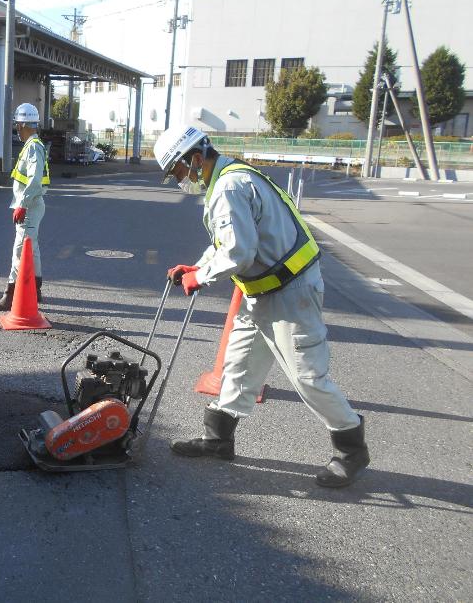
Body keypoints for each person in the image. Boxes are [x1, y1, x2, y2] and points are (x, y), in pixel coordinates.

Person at [156, 125, 370, 488]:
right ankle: (218, 439)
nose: (180, 180)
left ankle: (351, 449)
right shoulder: (227, 177)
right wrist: (197, 265)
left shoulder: (228, 187)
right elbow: (230, 241)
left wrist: (201, 278)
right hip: (261, 290)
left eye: (177, 172)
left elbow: (239, 253)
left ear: (194, 159)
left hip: (291, 291)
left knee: (307, 376)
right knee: (238, 363)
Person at [0, 103, 50, 312]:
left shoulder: (33, 146)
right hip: (32, 205)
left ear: (24, 124)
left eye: (18, 124)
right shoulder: (32, 145)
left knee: (20, 250)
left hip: (30, 206)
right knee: (32, 250)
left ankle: (10, 295)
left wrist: (22, 205)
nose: (16, 128)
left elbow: (34, 180)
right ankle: (36, 289)